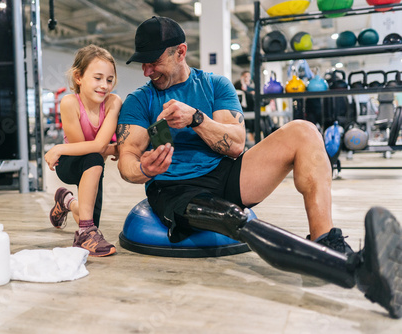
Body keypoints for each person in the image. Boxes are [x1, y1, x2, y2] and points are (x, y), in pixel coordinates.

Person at [116, 16, 402, 318]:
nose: (146, 71)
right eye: (142, 63)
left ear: (181, 52)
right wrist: (145, 169)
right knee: (232, 217)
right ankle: (355, 272)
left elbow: (237, 143)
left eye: (153, 62)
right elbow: (127, 159)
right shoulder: (139, 100)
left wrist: (197, 119)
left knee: (304, 130)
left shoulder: (215, 86)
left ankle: (326, 240)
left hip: (223, 173)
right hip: (174, 187)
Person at [45, 44, 121, 257]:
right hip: (70, 163)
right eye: (97, 78)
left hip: (92, 163)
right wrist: (111, 148)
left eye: (109, 79)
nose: (104, 85)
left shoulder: (114, 102)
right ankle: (84, 234)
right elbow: (85, 148)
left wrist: (58, 147)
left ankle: (66, 202)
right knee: (94, 156)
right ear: (78, 77)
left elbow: (98, 146)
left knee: (89, 218)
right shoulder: (70, 103)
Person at [234, 70, 255, 144]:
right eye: (245, 77)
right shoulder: (238, 85)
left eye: (248, 77)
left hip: (251, 110)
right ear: (242, 77)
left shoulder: (250, 87)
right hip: (243, 112)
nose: (247, 78)